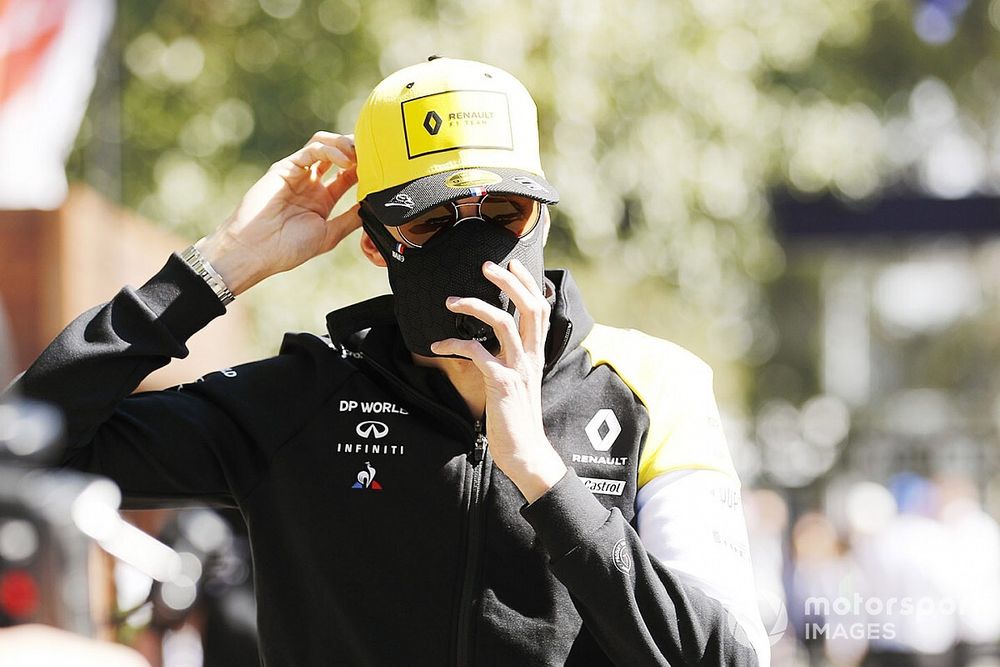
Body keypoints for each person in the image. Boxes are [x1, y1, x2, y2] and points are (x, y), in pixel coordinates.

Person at [6, 56, 769, 665]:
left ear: (541, 214)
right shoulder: (300, 399)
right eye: (433, 219)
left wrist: (542, 473)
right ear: (374, 241)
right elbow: (25, 441)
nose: (475, 242)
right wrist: (220, 266)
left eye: (506, 211)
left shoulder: (653, 386)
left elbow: (728, 655)